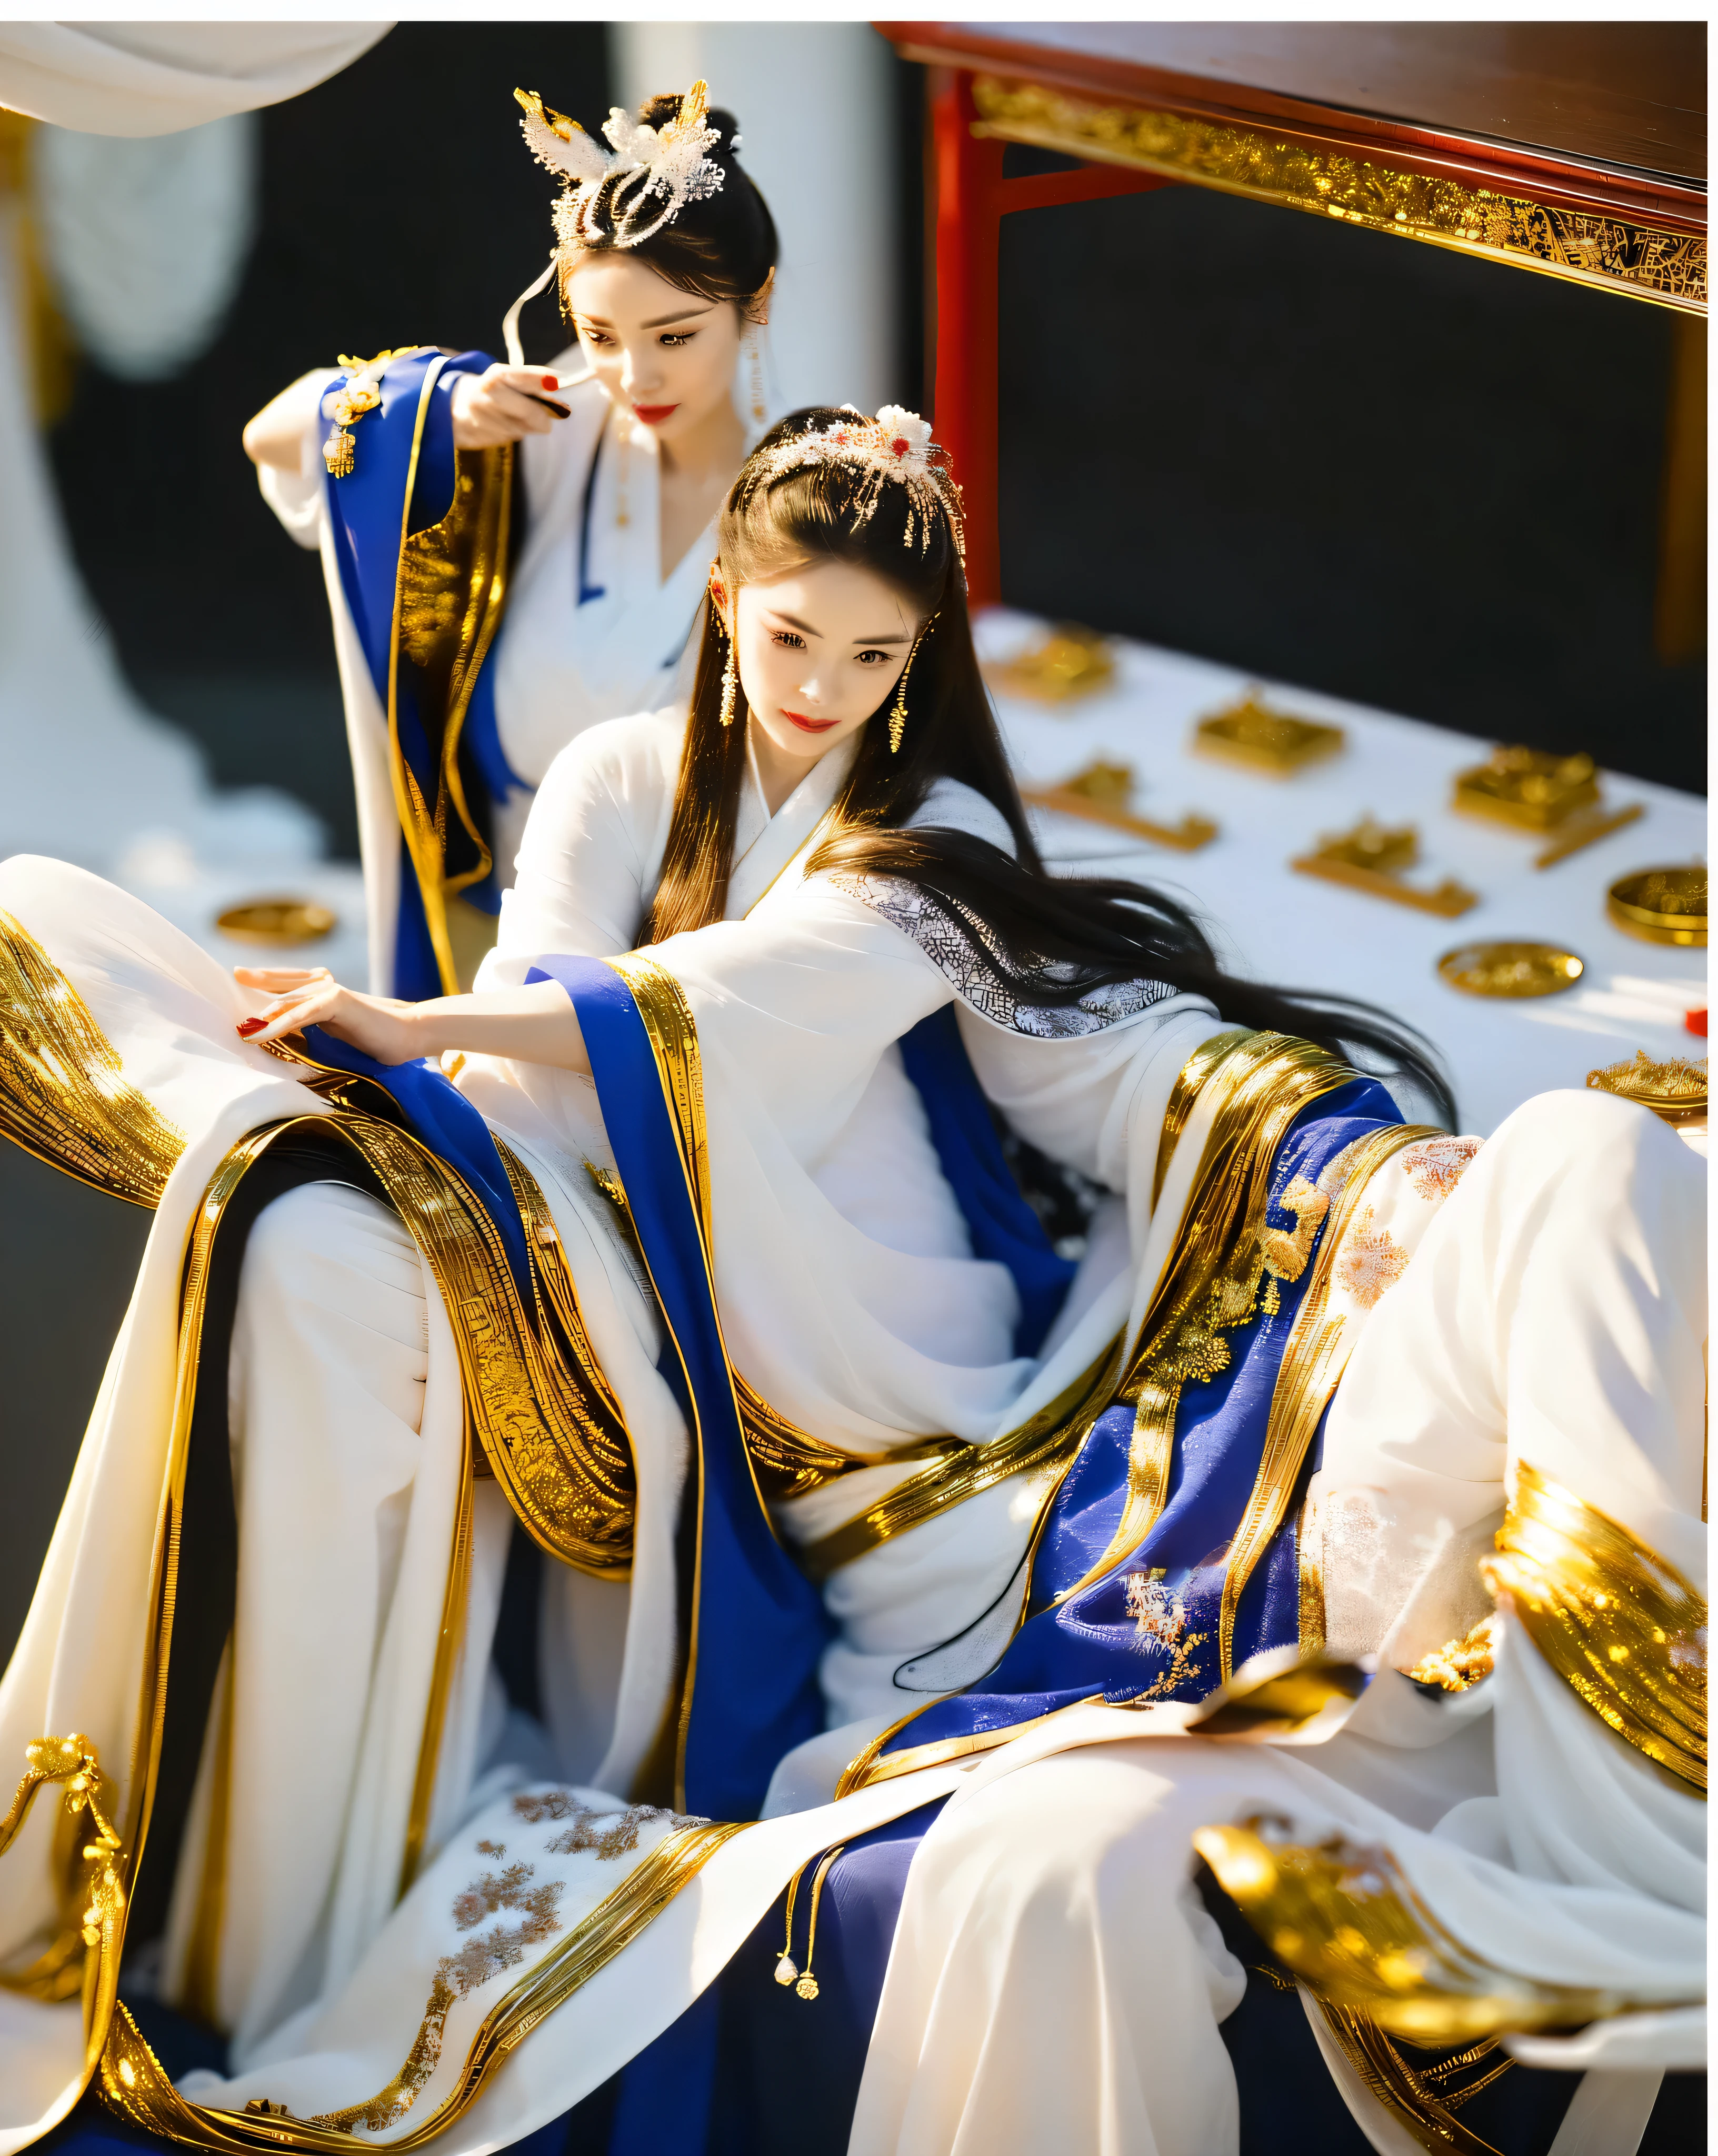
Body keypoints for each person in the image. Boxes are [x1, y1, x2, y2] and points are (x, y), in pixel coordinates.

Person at [0, 409, 1702, 2153]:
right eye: (793, 634)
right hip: (831, 1480)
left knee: (1588, 1162)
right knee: (302, 1214)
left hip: (995, 1377)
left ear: (916, 663)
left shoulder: (920, 826)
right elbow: (547, 1036)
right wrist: (407, 1064)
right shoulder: (608, 782)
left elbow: (815, 1007)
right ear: (726, 595)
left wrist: (1333, 1154)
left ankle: (1626, 1824)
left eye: (874, 655)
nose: (821, 688)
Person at [241, 82, 781, 1000]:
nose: (635, 374)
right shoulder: (551, 430)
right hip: (498, 923)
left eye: (675, 335)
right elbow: (273, 435)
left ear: (755, 302)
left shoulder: (809, 489)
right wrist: (433, 405)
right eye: (600, 334)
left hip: (699, 960)